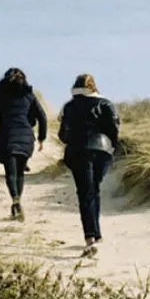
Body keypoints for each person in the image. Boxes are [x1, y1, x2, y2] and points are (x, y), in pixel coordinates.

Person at [58, 73, 119, 257]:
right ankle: (96, 234)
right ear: (93, 86)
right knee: (94, 190)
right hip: (101, 150)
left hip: (77, 151)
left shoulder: (69, 106)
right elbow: (113, 128)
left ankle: (90, 236)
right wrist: (112, 146)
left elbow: (62, 134)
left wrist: (70, 141)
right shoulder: (105, 103)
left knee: (85, 192)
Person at [0, 67, 47, 220]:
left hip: (6, 136)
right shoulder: (29, 95)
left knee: (10, 173)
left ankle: (15, 199)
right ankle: (18, 200)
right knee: (19, 173)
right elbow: (42, 117)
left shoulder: (0, 96)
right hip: (26, 137)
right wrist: (41, 138)